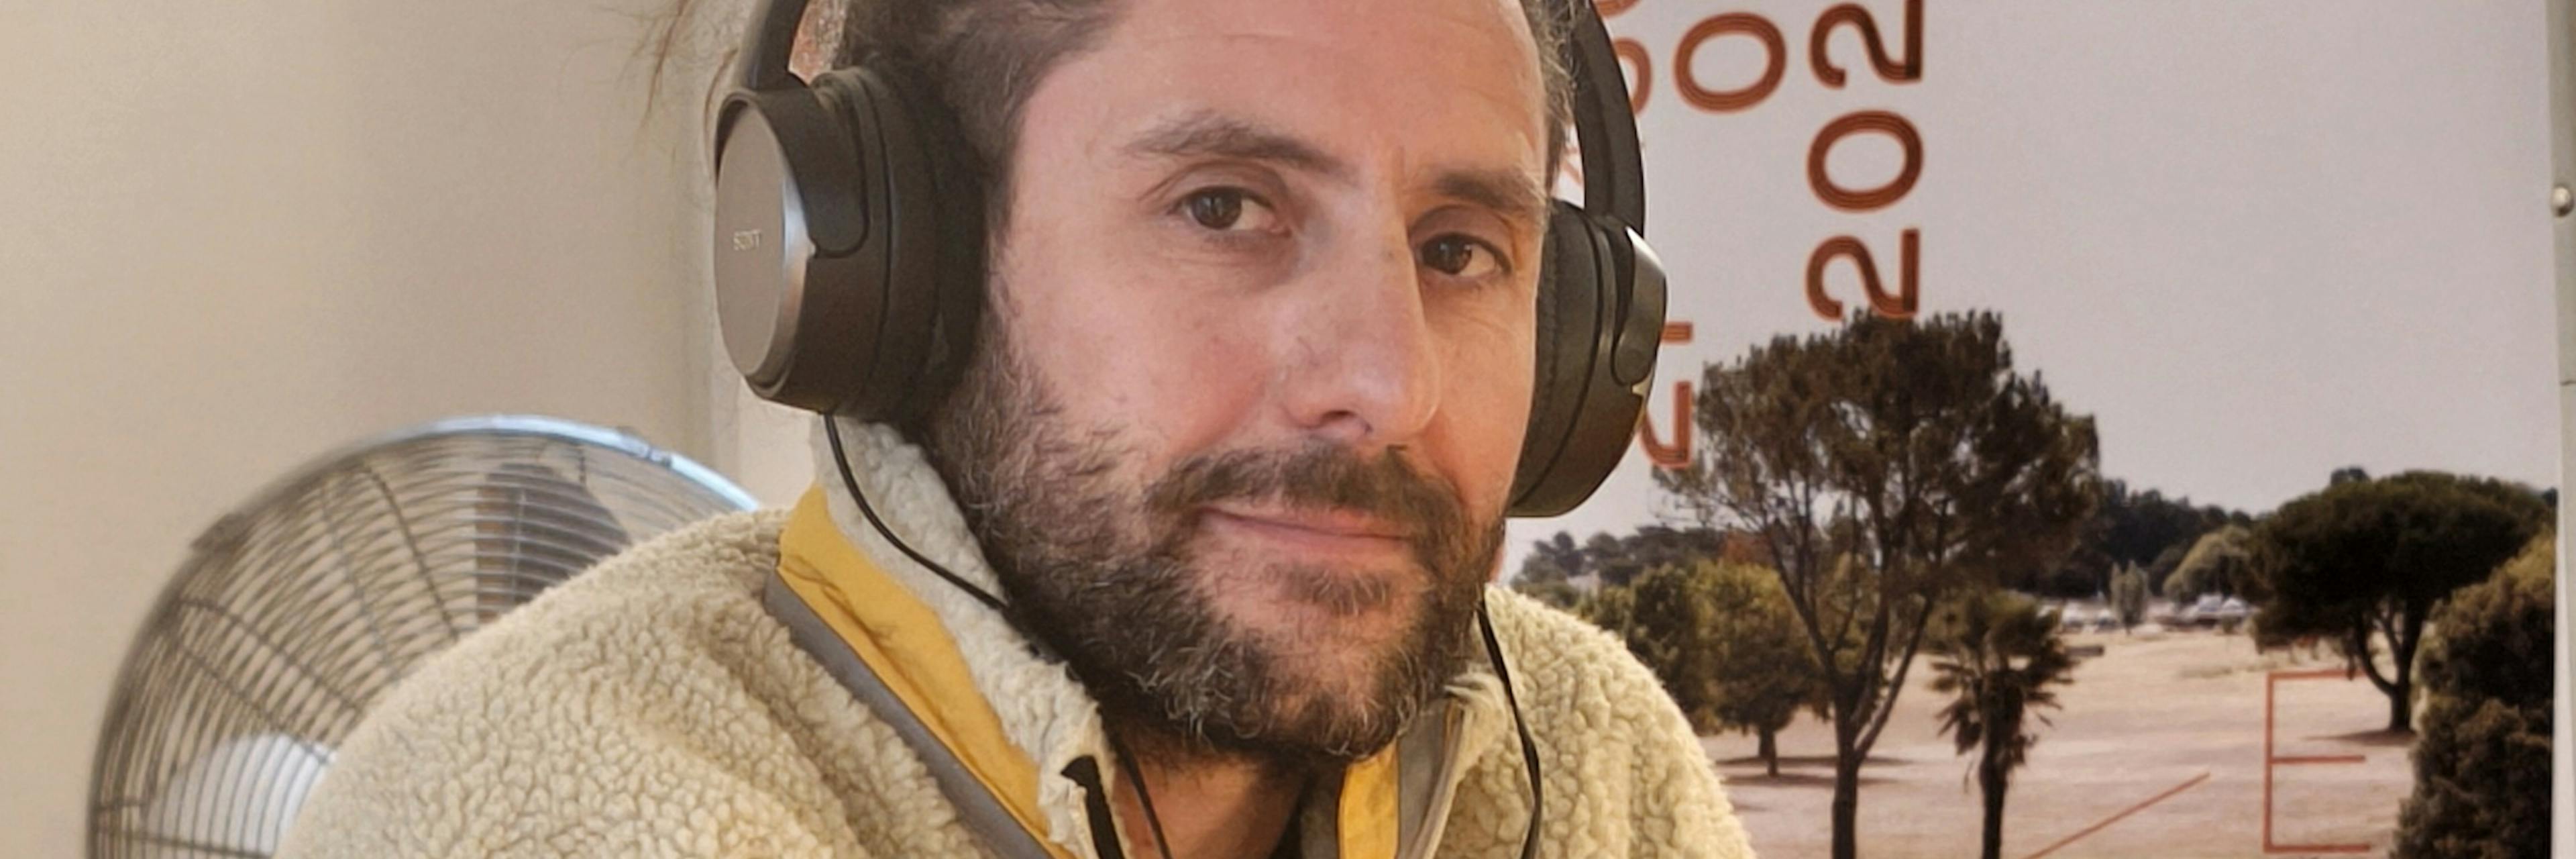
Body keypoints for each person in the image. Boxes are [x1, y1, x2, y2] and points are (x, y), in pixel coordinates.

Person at [278, 0, 1754, 855]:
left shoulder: (1593, 761)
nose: (1388, 382)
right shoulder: (560, 801)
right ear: (898, 268)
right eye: (1223, 207)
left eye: (1460, 249)